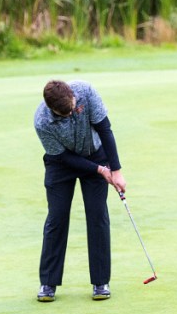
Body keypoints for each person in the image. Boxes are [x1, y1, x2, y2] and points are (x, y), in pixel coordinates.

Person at [34, 79, 126, 302]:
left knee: (97, 215)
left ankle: (100, 281)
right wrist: (98, 170)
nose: (71, 113)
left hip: (95, 152)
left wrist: (115, 170)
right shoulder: (42, 121)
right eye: (64, 113)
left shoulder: (86, 92)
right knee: (57, 217)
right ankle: (48, 283)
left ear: (73, 95)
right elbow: (63, 157)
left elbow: (104, 128)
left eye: (73, 108)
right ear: (51, 108)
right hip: (60, 164)